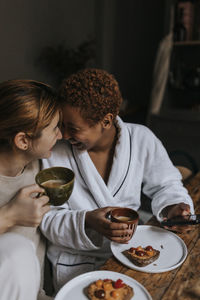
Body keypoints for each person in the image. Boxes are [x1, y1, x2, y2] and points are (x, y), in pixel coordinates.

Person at [40, 68, 194, 292]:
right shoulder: (55, 153)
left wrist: (173, 207)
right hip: (75, 259)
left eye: (72, 128)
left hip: (129, 253)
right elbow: (47, 219)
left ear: (106, 120)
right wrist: (88, 221)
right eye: (61, 124)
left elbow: (167, 185)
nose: (62, 135)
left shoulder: (141, 139)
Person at [0, 79, 62, 300]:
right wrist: (10, 215)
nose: (61, 135)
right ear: (23, 141)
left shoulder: (37, 163)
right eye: (55, 129)